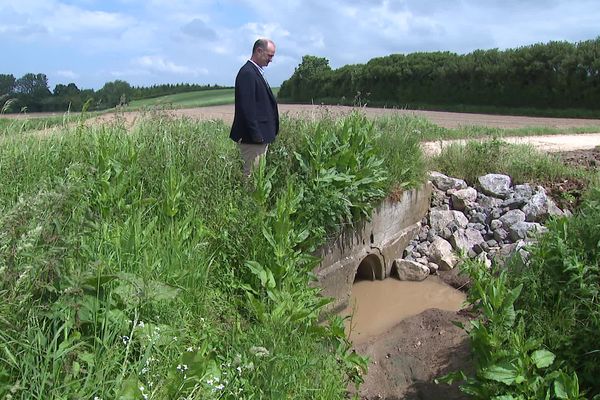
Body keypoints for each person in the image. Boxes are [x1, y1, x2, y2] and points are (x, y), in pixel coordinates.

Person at [230, 38, 279, 177]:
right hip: (253, 139)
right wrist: (256, 135)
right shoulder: (248, 73)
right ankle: (248, 199)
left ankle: (253, 199)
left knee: (257, 176)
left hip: (259, 137)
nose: (271, 60)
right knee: (252, 176)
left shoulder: (254, 72)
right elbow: (247, 107)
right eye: (269, 56)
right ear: (259, 51)